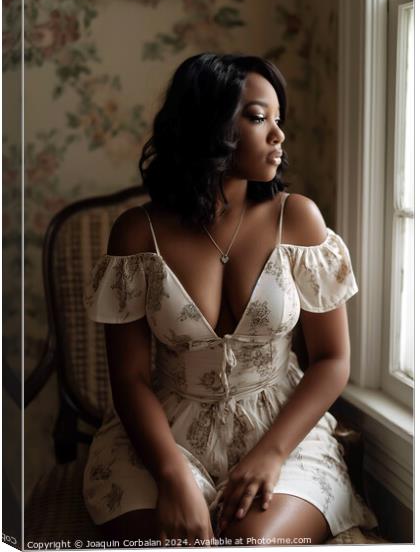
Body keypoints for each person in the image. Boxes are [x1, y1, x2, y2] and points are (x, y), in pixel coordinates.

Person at [82, 53, 378, 546]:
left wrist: (271, 453)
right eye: (260, 118)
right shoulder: (138, 233)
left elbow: (332, 360)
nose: (279, 136)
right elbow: (129, 378)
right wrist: (172, 474)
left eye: (279, 120)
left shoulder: (298, 219)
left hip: (282, 429)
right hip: (163, 436)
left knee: (249, 545)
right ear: (207, 124)